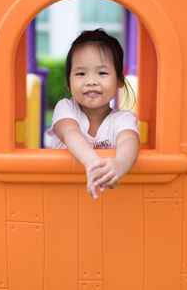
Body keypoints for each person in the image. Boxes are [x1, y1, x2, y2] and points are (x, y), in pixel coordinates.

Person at [47, 29, 139, 199]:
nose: (91, 81)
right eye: (81, 73)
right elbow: (71, 134)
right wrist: (94, 165)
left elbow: (129, 140)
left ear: (119, 80)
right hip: (62, 197)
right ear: (68, 82)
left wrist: (121, 163)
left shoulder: (123, 119)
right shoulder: (66, 108)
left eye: (102, 73)